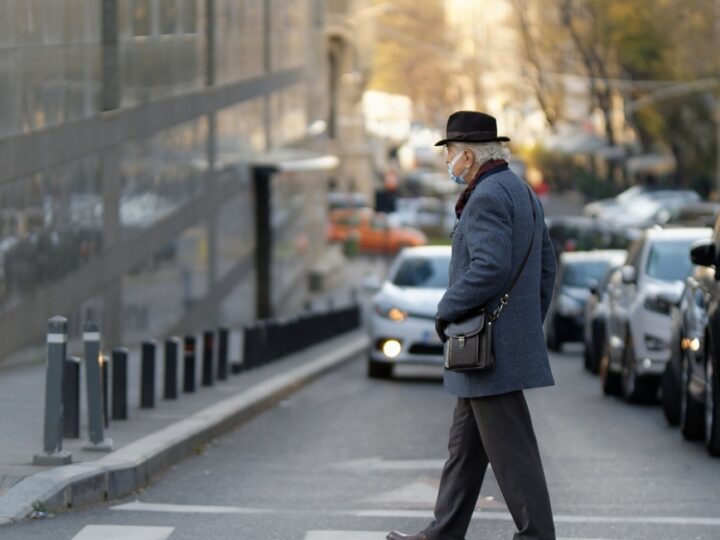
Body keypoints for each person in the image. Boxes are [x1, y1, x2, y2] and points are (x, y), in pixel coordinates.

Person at [386, 111, 557, 540]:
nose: (449, 163)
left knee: (513, 456)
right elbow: (547, 268)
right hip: (494, 346)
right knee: (463, 451)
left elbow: (489, 267)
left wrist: (447, 309)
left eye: (450, 154)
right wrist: (525, 324)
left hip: (486, 349)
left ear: (467, 154)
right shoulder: (521, 191)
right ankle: (442, 533)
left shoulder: (486, 196)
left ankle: (537, 535)